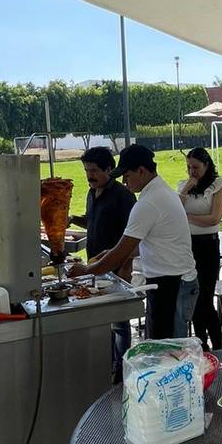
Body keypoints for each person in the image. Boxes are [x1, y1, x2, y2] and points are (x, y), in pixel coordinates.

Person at [68, 145, 198, 339]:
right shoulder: (158, 192)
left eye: (126, 176)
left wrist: (86, 271)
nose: (124, 181)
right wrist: (111, 252)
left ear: (141, 171)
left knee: (170, 351)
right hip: (168, 280)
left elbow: (123, 250)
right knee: (161, 346)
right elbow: (153, 244)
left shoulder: (148, 202)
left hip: (173, 284)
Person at [69, 146, 136, 383]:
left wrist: (127, 267)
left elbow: (133, 236)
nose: (89, 175)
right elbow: (91, 221)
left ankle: (122, 369)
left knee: (119, 322)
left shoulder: (124, 196)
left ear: (109, 169)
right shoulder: (91, 192)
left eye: (95, 171)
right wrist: (71, 219)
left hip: (117, 268)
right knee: (100, 320)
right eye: (87, 170)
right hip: (94, 268)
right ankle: (106, 364)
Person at [178, 147, 222, 350]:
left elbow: (214, 219)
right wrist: (186, 188)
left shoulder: (217, 186)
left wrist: (188, 218)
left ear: (206, 165)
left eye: (196, 167)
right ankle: (201, 342)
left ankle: (218, 341)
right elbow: (175, 210)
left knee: (205, 295)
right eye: (189, 167)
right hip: (187, 245)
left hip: (208, 245)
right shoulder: (184, 186)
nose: (192, 171)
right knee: (193, 294)